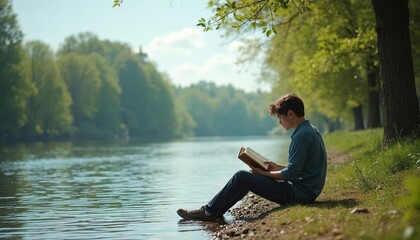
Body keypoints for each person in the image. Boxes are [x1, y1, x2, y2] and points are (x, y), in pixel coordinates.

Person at [177, 93, 327, 221]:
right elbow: (299, 170)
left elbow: (292, 174)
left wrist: (262, 173)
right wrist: (275, 166)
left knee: (241, 177)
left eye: (280, 118)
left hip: (298, 194)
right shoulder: (310, 130)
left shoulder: (301, 137)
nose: (280, 122)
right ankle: (215, 211)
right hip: (307, 191)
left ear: (290, 114)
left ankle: (209, 212)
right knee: (246, 177)